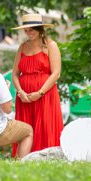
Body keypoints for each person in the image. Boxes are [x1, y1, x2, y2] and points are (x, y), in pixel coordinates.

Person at [11, 13, 63, 156]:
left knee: (45, 126)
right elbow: (15, 74)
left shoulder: (51, 46)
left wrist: (39, 93)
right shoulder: (22, 47)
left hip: (45, 95)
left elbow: (56, 73)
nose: (28, 33)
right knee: (26, 128)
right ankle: (23, 158)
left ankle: (46, 157)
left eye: (31, 30)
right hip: (24, 98)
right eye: (26, 30)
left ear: (40, 29)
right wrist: (20, 92)